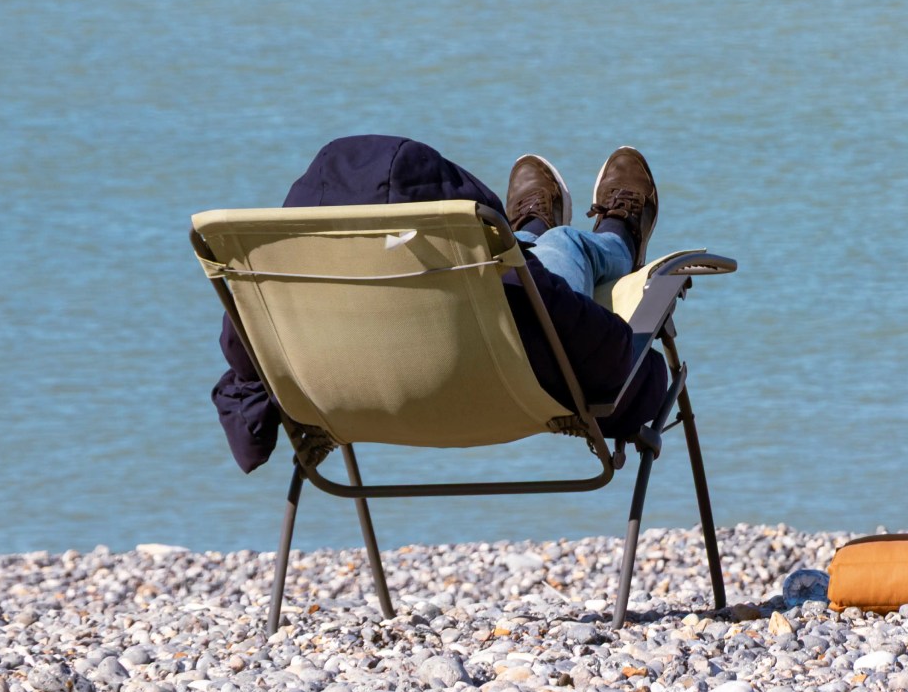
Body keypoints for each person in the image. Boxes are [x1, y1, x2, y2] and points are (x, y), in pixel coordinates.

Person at [210, 134, 669, 473]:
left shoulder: (276, 273)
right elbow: (609, 358)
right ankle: (618, 237)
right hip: (512, 393)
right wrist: (643, 364)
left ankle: (527, 231)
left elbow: (246, 360)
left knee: (524, 262)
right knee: (567, 245)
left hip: (343, 409)